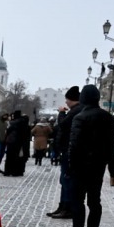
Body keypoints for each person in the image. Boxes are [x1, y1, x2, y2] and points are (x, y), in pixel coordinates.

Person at [55, 85, 114, 227]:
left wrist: (71, 168)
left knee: (77, 202)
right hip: (98, 167)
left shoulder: (80, 117)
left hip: (80, 167)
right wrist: (105, 162)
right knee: (95, 202)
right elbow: (111, 144)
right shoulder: (107, 117)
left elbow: (75, 145)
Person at [46, 87, 81, 218]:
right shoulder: (74, 111)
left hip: (69, 151)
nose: (65, 102)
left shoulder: (75, 111)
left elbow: (63, 124)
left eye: (67, 99)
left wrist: (61, 114)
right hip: (66, 150)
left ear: (72, 99)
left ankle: (67, 207)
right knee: (64, 180)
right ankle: (63, 206)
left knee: (66, 180)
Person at [2, 111, 30, 177]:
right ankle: (17, 171)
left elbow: (8, 132)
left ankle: (8, 171)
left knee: (9, 157)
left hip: (12, 142)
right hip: (21, 143)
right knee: (18, 158)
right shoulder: (25, 124)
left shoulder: (13, 123)